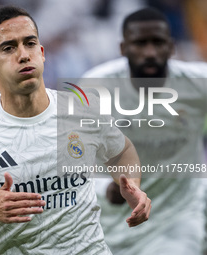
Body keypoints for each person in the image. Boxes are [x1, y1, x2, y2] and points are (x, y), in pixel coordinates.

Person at [0, 5, 151, 255]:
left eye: (30, 43)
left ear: (41, 53)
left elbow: (122, 150)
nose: (23, 55)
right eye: (8, 48)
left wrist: (133, 187)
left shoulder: (82, 110)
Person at [82, 7, 207, 255]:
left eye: (158, 43)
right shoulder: (93, 88)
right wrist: (106, 188)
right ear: (123, 48)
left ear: (171, 47)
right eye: (140, 43)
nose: (150, 52)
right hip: (113, 222)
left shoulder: (197, 83)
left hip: (179, 217)